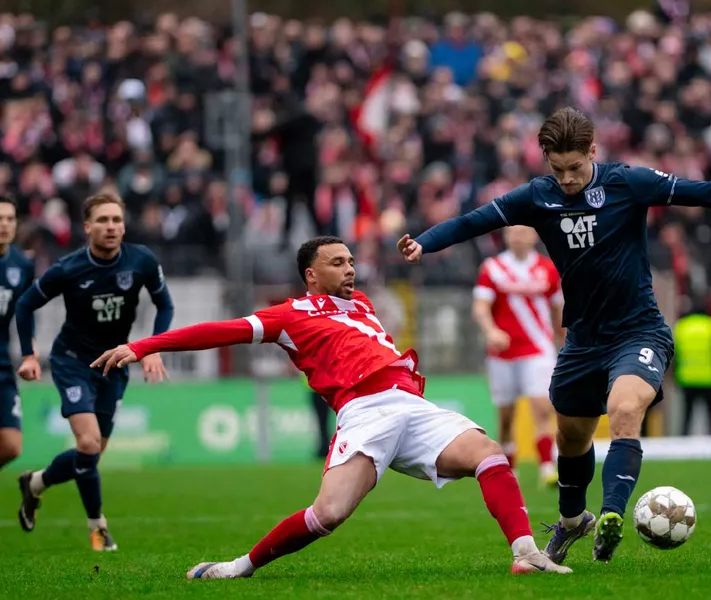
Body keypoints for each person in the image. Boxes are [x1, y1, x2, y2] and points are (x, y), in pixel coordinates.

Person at [397, 107, 711, 563]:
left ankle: (612, 516)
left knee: (625, 409)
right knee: (571, 438)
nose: (566, 179)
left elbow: (708, 193)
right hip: (582, 340)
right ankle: (571, 522)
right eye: (557, 169)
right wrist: (426, 241)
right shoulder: (538, 196)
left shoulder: (628, 183)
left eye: (575, 168)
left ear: (593, 152)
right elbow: (474, 221)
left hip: (639, 330)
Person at [91, 236, 571, 578]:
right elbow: (219, 331)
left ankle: (525, 552)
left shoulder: (360, 302)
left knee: (489, 453)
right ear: (311, 274)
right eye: (338, 263)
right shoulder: (289, 315)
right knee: (329, 514)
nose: (350, 269)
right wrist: (144, 345)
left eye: (350, 261)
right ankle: (240, 567)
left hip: (409, 402)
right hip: (364, 413)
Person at [15, 191, 174, 551]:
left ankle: (36, 483)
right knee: (87, 444)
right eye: (102, 220)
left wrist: (152, 347)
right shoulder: (68, 268)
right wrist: (28, 354)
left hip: (115, 363)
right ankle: (98, 527)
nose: (111, 227)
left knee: (91, 454)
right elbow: (25, 306)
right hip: (73, 361)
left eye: (116, 220)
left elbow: (164, 304)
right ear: (87, 227)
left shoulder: (142, 260)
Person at [472, 225, 563, 487]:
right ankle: (510, 468)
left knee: (542, 406)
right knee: (506, 416)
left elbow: (558, 308)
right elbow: (481, 306)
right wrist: (490, 331)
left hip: (538, 348)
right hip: (503, 352)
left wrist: (565, 339)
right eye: (514, 233)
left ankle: (547, 466)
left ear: (534, 236)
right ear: (506, 236)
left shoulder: (548, 269)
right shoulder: (493, 268)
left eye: (524, 233)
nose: (519, 238)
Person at [0, 196, 35, 471]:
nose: (4, 225)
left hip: (2, 363)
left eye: (10, 219)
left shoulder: (22, 265)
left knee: (11, 446)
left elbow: (25, 312)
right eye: (0, 219)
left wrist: (29, 353)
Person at [672, 299, 711, 436]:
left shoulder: (681, 327)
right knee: (710, 416)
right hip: (709, 378)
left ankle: (682, 443)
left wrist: (674, 375)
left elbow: (675, 354)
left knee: (686, 416)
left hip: (687, 377)